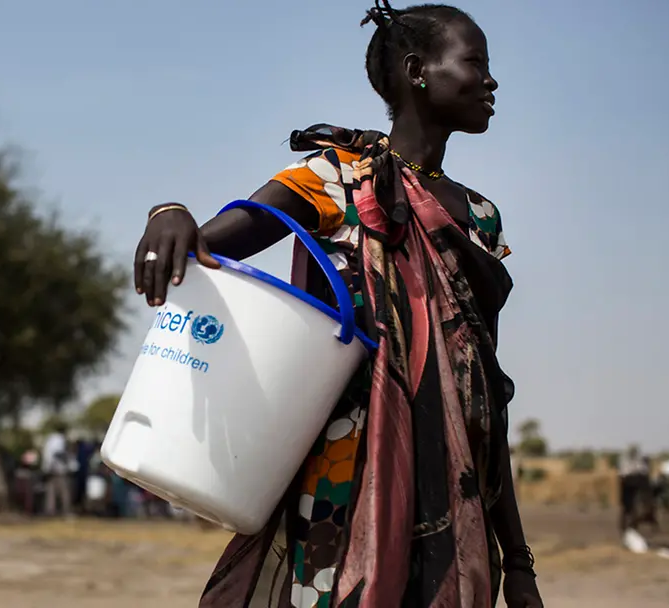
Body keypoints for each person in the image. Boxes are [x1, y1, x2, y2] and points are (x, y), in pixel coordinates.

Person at [132, 3, 541, 606]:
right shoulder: (336, 178)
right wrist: (168, 213)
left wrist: (519, 559)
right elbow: (214, 241)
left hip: (456, 501)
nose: (491, 80)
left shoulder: (480, 219)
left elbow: (483, 396)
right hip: (344, 487)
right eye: (474, 62)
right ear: (417, 71)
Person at [41, 422, 73, 516]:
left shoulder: (49, 439)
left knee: (51, 491)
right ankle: (66, 510)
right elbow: (58, 453)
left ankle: (50, 510)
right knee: (64, 491)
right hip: (58, 468)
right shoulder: (59, 439)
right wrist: (67, 462)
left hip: (49, 468)